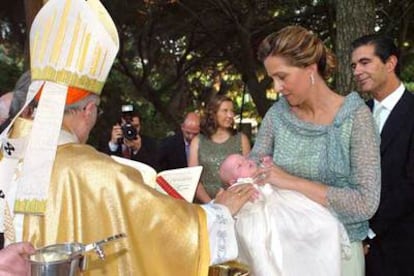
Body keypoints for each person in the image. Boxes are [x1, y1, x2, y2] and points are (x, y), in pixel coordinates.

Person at [0, 0, 256, 275]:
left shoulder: (8, 152)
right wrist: (218, 213)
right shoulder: (92, 171)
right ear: (88, 110)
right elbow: (160, 228)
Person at [251, 25, 381, 275]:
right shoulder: (277, 115)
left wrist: (289, 181)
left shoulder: (356, 118)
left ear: (310, 68)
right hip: (283, 250)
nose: (277, 87)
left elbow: (365, 203)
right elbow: (255, 163)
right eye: (272, 79)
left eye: (282, 76)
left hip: (337, 254)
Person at [219, 153, 349, 276]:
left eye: (244, 159)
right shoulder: (238, 188)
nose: (246, 162)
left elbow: (272, 177)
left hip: (281, 203)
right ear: (233, 181)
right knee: (263, 251)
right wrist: (246, 195)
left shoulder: (261, 176)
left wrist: (267, 165)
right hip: (260, 219)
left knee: (320, 222)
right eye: (239, 166)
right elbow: (237, 203)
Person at [351, 34, 414, 276]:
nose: (357, 71)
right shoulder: (358, 114)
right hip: (358, 250)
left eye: (365, 62)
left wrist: (368, 231)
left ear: (390, 63)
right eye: (354, 65)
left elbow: (410, 184)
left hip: (403, 248)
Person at [188, 94, 251, 203]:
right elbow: (194, 179)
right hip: (205, 206)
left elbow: (248, 176)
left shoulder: (241, 139)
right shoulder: (197, 141)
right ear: (213, 113)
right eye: (225, 111)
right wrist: (211, 205)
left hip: (236, 203)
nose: (230, 115)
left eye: (232, 111)